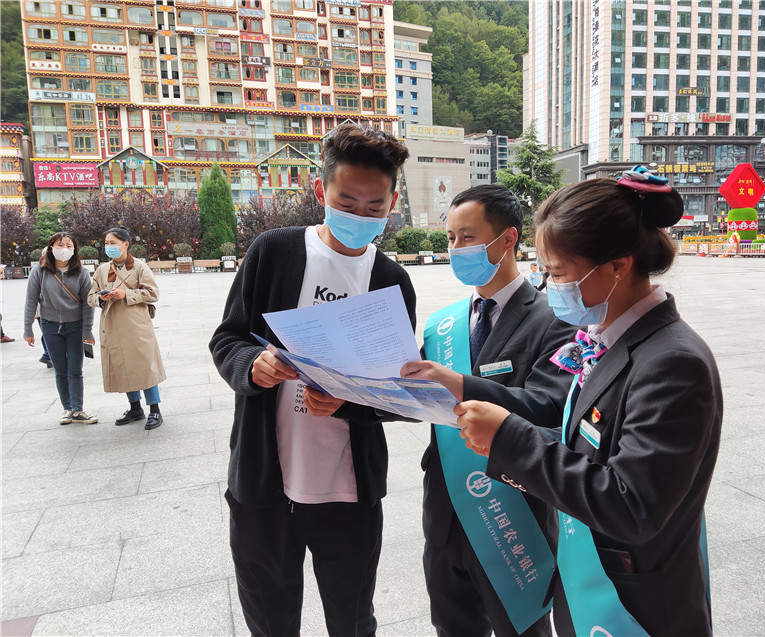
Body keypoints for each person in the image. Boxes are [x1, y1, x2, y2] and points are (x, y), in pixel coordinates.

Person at [455, 169, 723, 636]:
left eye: (558, 272)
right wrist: (508, 436)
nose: (548, 285)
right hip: (586, 583)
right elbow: (589, 446)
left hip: (635, 608)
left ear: (618, 266)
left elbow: (632, 504)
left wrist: (511, 439)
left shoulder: (673, 362)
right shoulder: (608, 339)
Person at [210, 123, 414, 637]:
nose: (360, 217)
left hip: (348, 489)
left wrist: (349, 404)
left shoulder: (392, 281)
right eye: (347, 203)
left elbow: (399, 391)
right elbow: (228, 338)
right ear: (321, 191)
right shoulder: (274, 252)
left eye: (374, 207)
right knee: (270, 618)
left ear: (392, 203)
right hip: (264, 483)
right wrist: (252, 366)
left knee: (352, 618)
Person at [401, 184, 575, 637]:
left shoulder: (554, 319)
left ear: (508, 238)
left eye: (468, 237)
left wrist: (459, 383)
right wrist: (350, 394)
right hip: (447, 516)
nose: (457, 248)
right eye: (451, 238)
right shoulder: (445, 324)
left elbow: (549, 406)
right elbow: (418, 395)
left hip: (514, 513)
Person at [88, 227, 166, 430]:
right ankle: (135, 408)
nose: (109, 246)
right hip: (113, 325)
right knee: (123, 366)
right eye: (106, 243)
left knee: (145, 366)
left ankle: (155, 410)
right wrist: (101, 298)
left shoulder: (140, 267)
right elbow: (90, 296)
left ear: (125, 245)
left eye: (113, 243)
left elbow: (153, 293)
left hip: (137, 325)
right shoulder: (102, 270)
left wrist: (126, 294)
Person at [23, 232, 97, 425]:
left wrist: (87, 330)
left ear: (74, 250)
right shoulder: (40, 271)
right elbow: (31, 300)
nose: (64, 249)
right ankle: (67, 408)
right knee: (60, 370)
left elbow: (88, 304)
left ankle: (78, 410)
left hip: (75, 326)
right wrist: (27, 328)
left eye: (69, 246)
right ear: (51, 248)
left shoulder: (81, 273)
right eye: (60, 245)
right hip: (49, 325)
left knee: (75, 369)